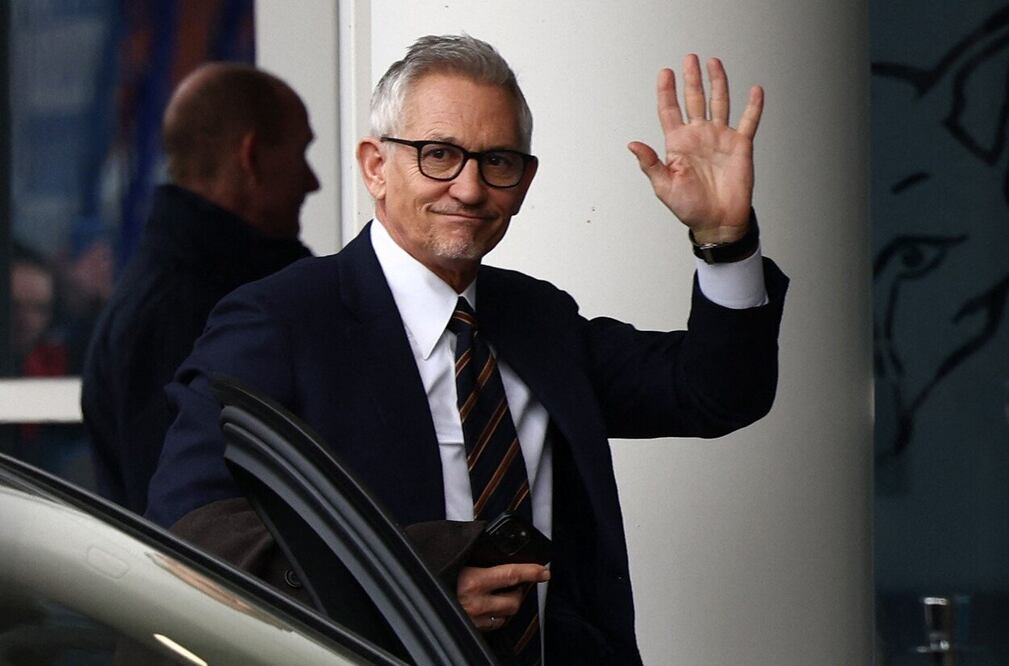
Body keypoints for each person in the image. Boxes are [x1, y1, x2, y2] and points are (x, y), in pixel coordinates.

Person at [147, 35, 787, 664]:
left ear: (525, 180)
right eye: (438, 155)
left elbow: (716, 393)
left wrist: (722, 238)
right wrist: (409, 588)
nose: (471, 188)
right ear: (376, 165)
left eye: (498, 162)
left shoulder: (540, 319)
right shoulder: (279, 321)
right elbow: (196, 537)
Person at [82, 63, 320, 514]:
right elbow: (179, 524)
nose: (313, 181)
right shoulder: (180, 310)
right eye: (301, 153)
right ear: (250, 157)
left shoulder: (174, 290)